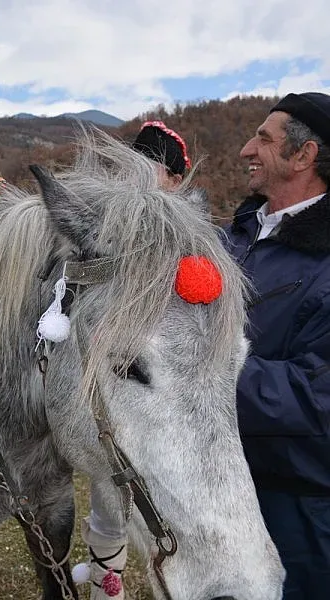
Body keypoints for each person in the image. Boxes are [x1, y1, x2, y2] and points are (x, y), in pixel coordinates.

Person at [75, 121, 192, 600]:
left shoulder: (190, 230)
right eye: (136, 165)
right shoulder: (105, 226)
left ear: (176, 179)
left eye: (156, 169)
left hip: (173, 384)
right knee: (109, 488)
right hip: (117, 376)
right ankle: (108, 580)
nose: (144, 177)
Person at [222, 92, 330, 600]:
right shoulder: (236, 237)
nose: (246, 149)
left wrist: (203, 371)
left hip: (300, 508)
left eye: (263, 139)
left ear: (304, 156)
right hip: (223, 482)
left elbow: (319, 394)